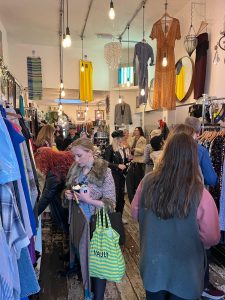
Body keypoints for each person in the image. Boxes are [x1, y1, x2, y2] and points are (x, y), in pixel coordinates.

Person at [131, 132, 220, 300]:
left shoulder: (147, 181)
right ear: (192, 157)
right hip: (186, 269)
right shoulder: (200, 192)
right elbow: (212, 236)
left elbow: (135, 213)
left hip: (153, 263)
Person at [172, 122, 223, 299]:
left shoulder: (155, 176)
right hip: (196, 205)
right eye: (195, 134)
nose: (198, 137)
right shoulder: (199, 150)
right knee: (200, 246)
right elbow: (211, 178)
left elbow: (137, 212)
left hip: (165, 246)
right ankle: (203, 284)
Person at [64, 138, 116, 300]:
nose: (76, 160)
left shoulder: (104, 171)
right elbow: (73, 190)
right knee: (84, 259)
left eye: (79, 156)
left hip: (95, 225)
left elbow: (111, 203)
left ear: (90, 152)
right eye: (74, 156)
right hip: (79, 222)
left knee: (97, 263)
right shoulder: (76, 169)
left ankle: (96, 295)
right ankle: (89, 289)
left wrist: (89, 201)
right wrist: (68, 194)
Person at [34, 147, 74, 233]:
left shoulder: (54, 172)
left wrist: (33, 215)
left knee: (67, 229)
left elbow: (47, 197)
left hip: (64, 204)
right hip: (69, 202)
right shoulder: (62, 160)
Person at [184, 116, 217, 186]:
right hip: (192, 193)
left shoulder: (172, 145)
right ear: (198, 133)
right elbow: (211, 179)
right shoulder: (201, 151)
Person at [104, 130, 128, 221]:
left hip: (122, 176)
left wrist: (128, 161)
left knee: (121, 197)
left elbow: (123, 161)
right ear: (117, 139)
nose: (123, 139)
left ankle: (119, 216)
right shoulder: (110, 148)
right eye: (122, 137)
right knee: (116, 196)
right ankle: (113, 217)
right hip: (114, 176)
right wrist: (117, 166)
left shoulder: (122, 148)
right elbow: (106, 163)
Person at [126, 127, 146, 203]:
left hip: (139, 162)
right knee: (133, 182)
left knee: (138, 181)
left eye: (137, 130)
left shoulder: (142, 139)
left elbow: (143, 151)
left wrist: (135, 149)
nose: (135, 131)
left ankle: (139, 198)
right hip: (134, 161)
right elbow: (129, 145)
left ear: (140, 131)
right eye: (135, 130)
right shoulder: (133, 139)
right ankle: (134, 199)